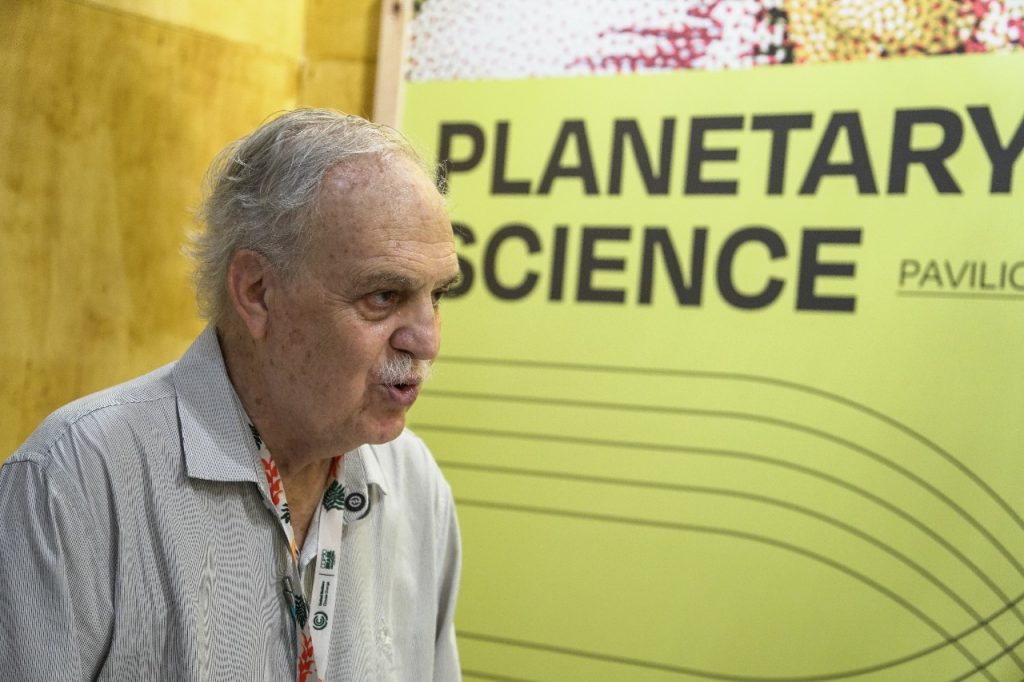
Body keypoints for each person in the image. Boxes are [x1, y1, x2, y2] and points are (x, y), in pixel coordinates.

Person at [0, 109, 463, 681]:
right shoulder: (73, 482)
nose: (427, 340)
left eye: (436, 295)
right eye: (384, 296)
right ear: (257, 291)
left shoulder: (415, 483)